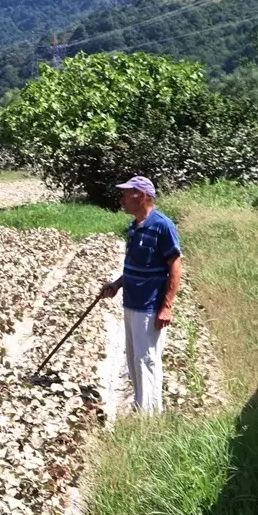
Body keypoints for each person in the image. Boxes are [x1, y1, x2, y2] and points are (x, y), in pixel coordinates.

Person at [98, 176, 183, 414]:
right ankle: (140, 407)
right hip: (131, 303)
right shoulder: (134, 227)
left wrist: (167, 306)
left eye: (127, 194)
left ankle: (149, 416)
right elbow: (136, 265)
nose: (122, 198)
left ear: (143, 196)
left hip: (149, 306)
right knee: (134, 360)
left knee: (147, 360)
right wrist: (116, 284)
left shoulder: (162, 225)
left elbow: (175, 264)